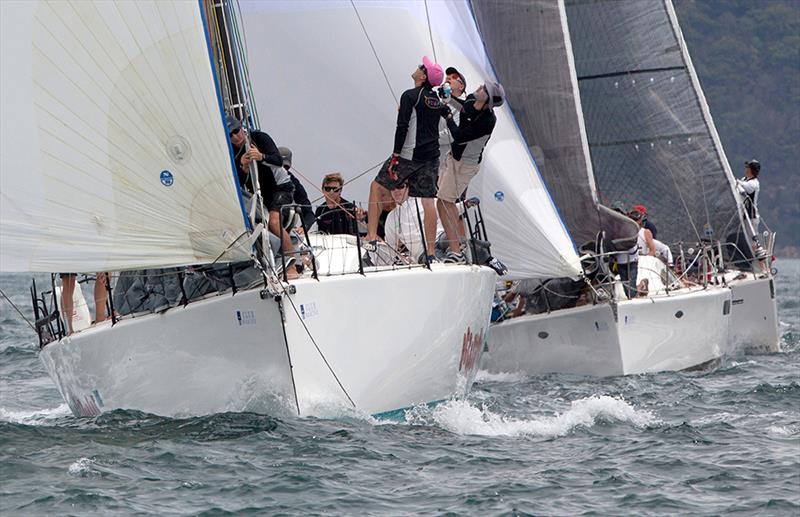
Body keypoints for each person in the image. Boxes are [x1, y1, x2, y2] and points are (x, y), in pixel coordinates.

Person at [365, 56, 444, 263]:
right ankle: (430, 253)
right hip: (431, 157)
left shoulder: (410, 96)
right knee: (428, 202)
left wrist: (395, 155)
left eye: (421, 67)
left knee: (376, 186)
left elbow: (403, 127)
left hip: (409, 156)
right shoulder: (437, 100)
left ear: (423, 75)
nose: (417, 68)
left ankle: (371, 237)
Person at [437, 81, 503, 263]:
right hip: (454, 159)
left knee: (444, 203)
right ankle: (458, 245)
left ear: (488, 100)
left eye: (484, 90)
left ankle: (456, 251)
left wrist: (449, 118)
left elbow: (459, 136)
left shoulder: (488, 121)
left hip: (465, 165)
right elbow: (462, 105)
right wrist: (448, 98)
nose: (480, 88)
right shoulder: (473, 99)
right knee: (444, 203)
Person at [228, 116, 299, 279]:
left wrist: (261, 156)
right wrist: (243, 167)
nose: (235, 137)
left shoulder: (260, 138)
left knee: (274, 223)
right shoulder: (232, 153)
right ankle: (270, 264)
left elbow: (278, 160)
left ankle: (293, 265)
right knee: (256, 225)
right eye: (230, 135)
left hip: (281, 188)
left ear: (242, 128)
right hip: (261, 195)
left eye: (237, 131)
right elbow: (237, 182)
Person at [380, 182, 444, 265]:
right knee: (440, 260)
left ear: (408, 187)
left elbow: (449, 211)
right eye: (392, 188)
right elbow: (390, 248)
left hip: (441, 238)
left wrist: (464, 204)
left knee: (456, 241)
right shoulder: (391, 217)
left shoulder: (426, 202)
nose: (396, 191)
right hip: (423, 253)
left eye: (400, 186)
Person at [278, 146, 315, 231]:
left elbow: (309, 213)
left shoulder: (294, 183)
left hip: (283, 226)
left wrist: (304, 227)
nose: (283, 170)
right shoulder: (263, 176)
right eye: (280, 166)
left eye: (286, 167)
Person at [737, 159, 761, 231]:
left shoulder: (754, 183)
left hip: (751, 217)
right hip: (743, 215)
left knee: (751, 237)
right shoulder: (744, 179)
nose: (746, 169)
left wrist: (737, 182)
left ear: (751, 170)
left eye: (748, 168)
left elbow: (747, 188)